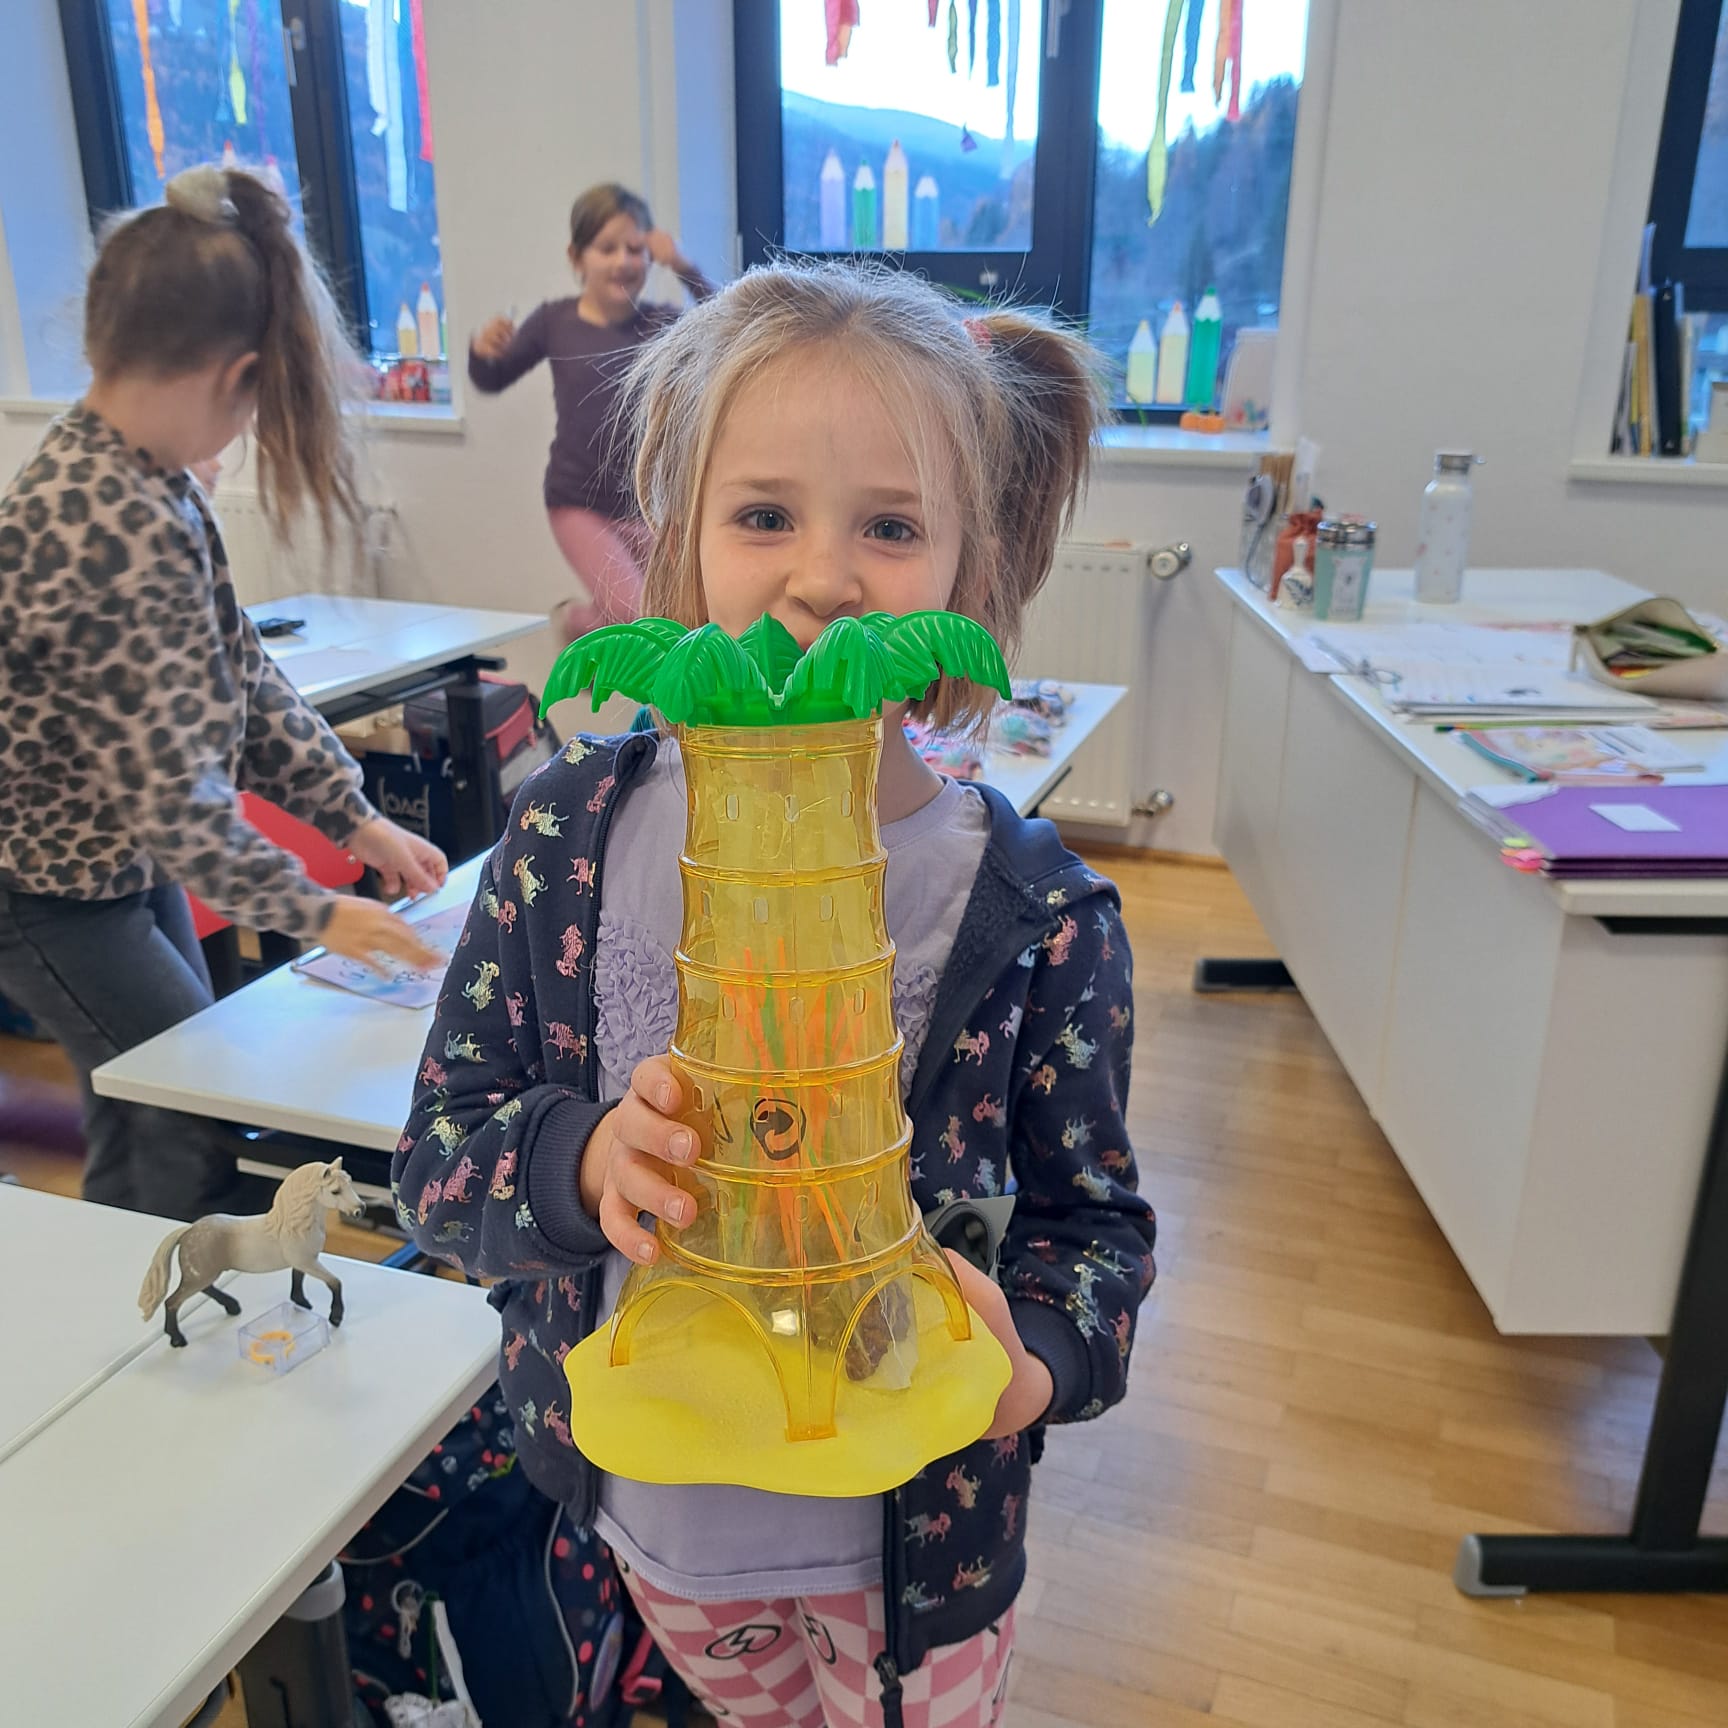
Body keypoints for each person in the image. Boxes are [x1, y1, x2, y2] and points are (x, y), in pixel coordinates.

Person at [394, 261, 1154, 1728]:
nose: (822, 578)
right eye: (763, 516)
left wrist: (1039, 1366)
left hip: (916, 1560)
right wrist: (582, 1160)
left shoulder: (1039, 916)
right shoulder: (562, 838)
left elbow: (1098, 1231)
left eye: (891, 526)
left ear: (971, 566)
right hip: (653, 1531)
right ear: (674, 541)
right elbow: (435, 1162)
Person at [0, 164, 447, 1220]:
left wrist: (353, 818)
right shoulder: (103, 522)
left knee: (150, 1097)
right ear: (237, 376)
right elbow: (175, 797)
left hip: (112, 860)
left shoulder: (150, 482)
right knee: (178, 1108)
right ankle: (143, 1295)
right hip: (42, 889)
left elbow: (240, 676)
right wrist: (319, 911)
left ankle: (130, 1273)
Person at [466, 182, 714, 641]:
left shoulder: (662, 323)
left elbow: (725, 324)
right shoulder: (554, 322)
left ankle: (584, 625)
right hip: (576, 501)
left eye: (635, 249)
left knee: (682, 615)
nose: (623, 261)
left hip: (643, 505)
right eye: (606, 248)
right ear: (576, 257)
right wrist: (482, 353)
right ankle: (584, 626)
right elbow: (493, 378)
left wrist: (684, 266)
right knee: (641, 619)